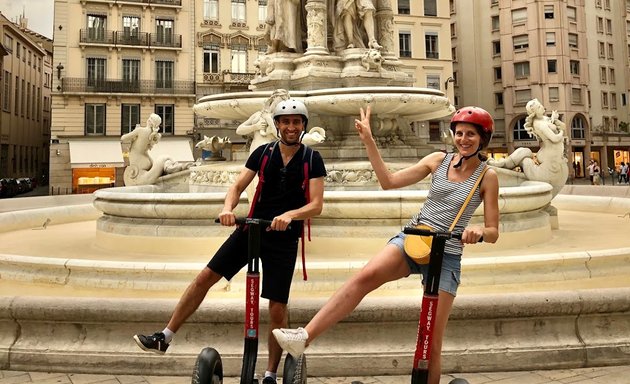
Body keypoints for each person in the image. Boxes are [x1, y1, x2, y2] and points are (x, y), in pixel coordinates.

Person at [273, 106, 500, 384]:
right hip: (415, 238)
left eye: (471, 135)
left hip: (447, 253)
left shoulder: (487, 176)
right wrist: (369, 139)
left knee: (431, 341)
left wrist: (478, 231)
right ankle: (304, 337)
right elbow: (388, 182)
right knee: (363, 278)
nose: (464, 139)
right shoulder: (437, 160)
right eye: (460, 133)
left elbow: (493, 231)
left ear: (483, 139)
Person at [133, 99, 327, 384]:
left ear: (303, 126)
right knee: (204, 278)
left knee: (276, 308)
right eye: (285, 122)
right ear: (277, 125)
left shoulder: (312, 159)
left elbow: (317, 205)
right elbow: (237, 186)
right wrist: (227, 208)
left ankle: (271, 373)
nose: (290, 127)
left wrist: (290, 215)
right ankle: (165, 336)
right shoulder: (262, 153)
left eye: (296, 122)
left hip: (284, 239)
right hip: (251, 229)